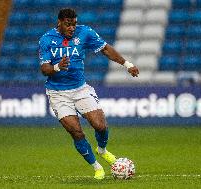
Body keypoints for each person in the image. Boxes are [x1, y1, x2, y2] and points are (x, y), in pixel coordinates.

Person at [39, 8, 139, 180]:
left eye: (74, 24)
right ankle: (97, 167)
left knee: (100, 125)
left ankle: (102, 150)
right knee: (76, 132)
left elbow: (106, 49)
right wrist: (57, 67)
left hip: (80, 89)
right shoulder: (46, 39)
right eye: (68, 24)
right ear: (60, 23)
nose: (72, 28)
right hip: (57, 93)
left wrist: (127, 64)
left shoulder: (85, 32)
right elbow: (44, 69)